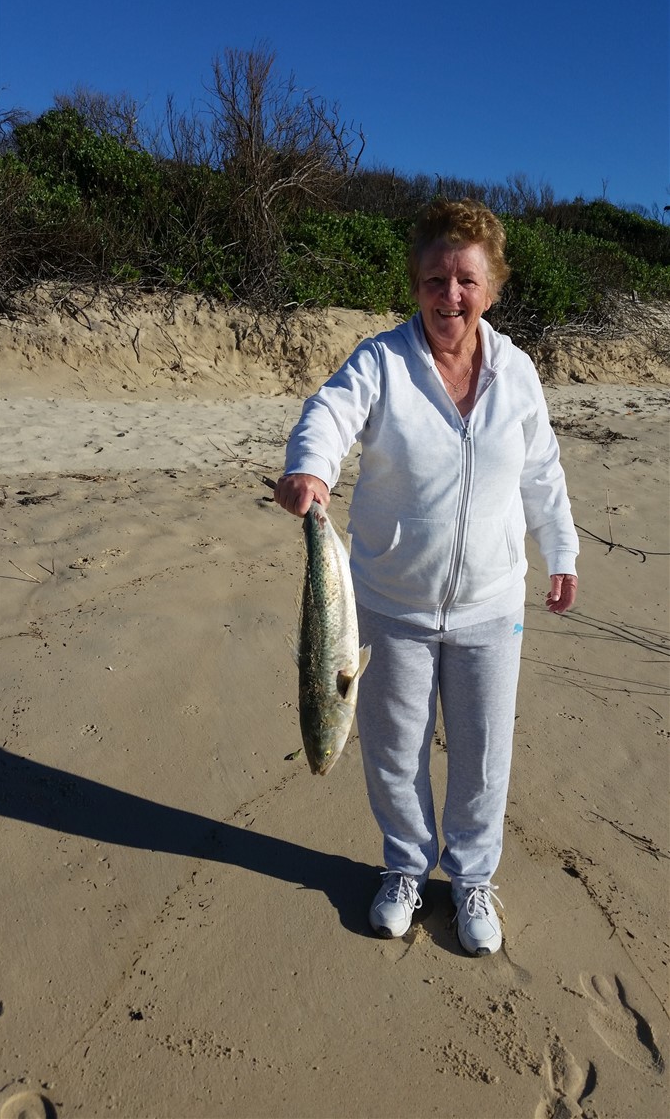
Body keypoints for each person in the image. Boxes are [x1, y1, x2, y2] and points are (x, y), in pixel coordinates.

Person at [274, 199, 578, 956]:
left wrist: (561, 552)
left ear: (492, 287)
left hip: (489, 605)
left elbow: (541, 473)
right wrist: (308, 469)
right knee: (392, 749)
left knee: (481, 755)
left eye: (465, 280)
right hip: (389, 604)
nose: (450, 296)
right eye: (436, 279)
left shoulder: (517, 374)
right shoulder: (380, 362)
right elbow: (330, 411)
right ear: (415, 284)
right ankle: (405, 868)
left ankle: (472, 877)